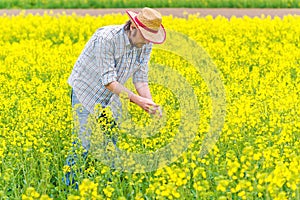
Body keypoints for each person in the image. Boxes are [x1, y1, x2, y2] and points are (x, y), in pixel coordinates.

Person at [63, 7, 166, 187]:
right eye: (145, 37)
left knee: (110, 144)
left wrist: (150, 103)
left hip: (113, 96)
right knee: (83, 144)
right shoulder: (107, 39)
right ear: (133, 27)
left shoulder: (145, 43)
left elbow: (140, 78)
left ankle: (106, 187)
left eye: (150, 39)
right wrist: (138, 101)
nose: (148, 42)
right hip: (86, 91)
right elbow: (109, 81)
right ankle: (69, 188)